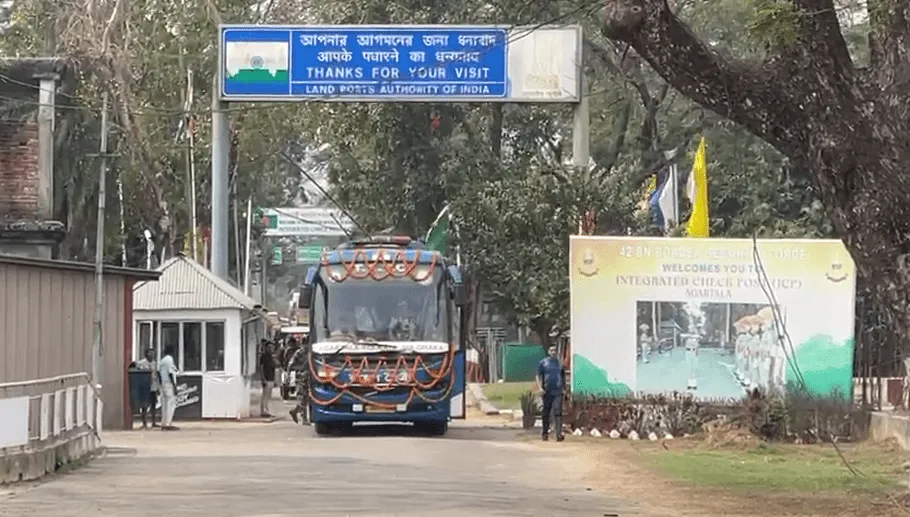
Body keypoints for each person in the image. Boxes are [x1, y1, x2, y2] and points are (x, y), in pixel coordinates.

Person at [536, 345, 565, 442]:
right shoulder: (543, 363)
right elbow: (538, 376)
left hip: (557, 391)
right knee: (546, 413)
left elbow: (562, 376)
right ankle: (545, 433)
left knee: (558, 412)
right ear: (548, 352)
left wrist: (563, 388)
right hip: (547, 391)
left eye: (555, 350)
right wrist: (540, 388)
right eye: (551, 350)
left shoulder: (559, 363)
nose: (553, 352)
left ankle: (559, 434)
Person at [134, 348, 159, 428]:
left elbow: (156, 375)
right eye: (150, 353)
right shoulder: (141, 363)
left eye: (153, 353)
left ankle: (153, 422)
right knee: (144, 405)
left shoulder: (155, 363)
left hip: (153, 387)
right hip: (145, 387)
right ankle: (144, 423)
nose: (152, 355)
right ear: (146, 354)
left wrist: (157, 387)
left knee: (153, 405)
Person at [157, 345, 179, 431]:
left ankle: (163, 423)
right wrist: (174, 386)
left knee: (164, 404)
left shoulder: (162, 360)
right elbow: (170, 373)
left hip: (163, 383)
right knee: (171, 404)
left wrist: (161, 383)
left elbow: (158, 372)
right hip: (169, 384)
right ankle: (168, 424)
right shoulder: (170, 359)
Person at [288, 347, 310, 425]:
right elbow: (290, 364)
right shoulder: (300, 352)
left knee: (307, 398)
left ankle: (296, 412)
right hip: (301, 377)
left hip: (310, 377)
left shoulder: (313, 351)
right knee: (303, 397)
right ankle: (303, 418)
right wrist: (288, 376)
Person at [258, 341, 277, 418]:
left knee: (268, 396)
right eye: (269, 347)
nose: (270, 349)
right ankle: (263, 411)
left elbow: (275, 367)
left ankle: (266, 410)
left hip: (271, 378)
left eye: (272, 347)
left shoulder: (271, 357)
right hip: (266, 378)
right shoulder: (263, 356)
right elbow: (261, 368)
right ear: (265, 348)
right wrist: (263, 378)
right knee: (265, 395)